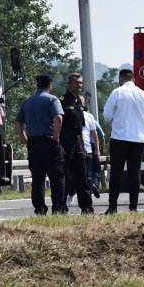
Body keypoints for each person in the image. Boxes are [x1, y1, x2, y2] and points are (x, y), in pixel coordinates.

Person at [103, 69, 144, 213]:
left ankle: (113, 207)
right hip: (138, 138)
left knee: (116, 173)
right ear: (134, 79)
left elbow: (106, 115)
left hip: (120, 137)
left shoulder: (117, 92)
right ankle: (133, 207)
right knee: (135, 172)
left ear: (121, 79)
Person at [15, 74, 66, 214]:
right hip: (48, 140)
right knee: (57, 176)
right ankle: (58, 207)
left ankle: (39, 208)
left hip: (33, 141)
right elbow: (58, 118)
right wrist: (56, 136)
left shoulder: (28, 101)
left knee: (38, 177)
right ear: (50, 84)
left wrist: (25, 139)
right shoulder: (52, 99)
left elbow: (18, 121)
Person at [60, 73, 94, 214]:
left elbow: (80, 126)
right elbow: (58, 124)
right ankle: (62, 207)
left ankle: (86, 208)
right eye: (75, 83)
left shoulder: (78, 102)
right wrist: (60, 145)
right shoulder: (63, 101)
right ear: (69, 84)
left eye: (80, 83)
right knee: (65, 177)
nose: (78, 85)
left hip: (77, 143)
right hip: (65, 142)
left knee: (82, 177)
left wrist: (83, 145)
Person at [83, 108, 103, 196]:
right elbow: (101, 136)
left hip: (81, 146)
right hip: (92, 146)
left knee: (86, 170)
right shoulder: (92, 120)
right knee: (96, 169)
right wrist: (100, 149)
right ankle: (94, 184)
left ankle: (90, 186)